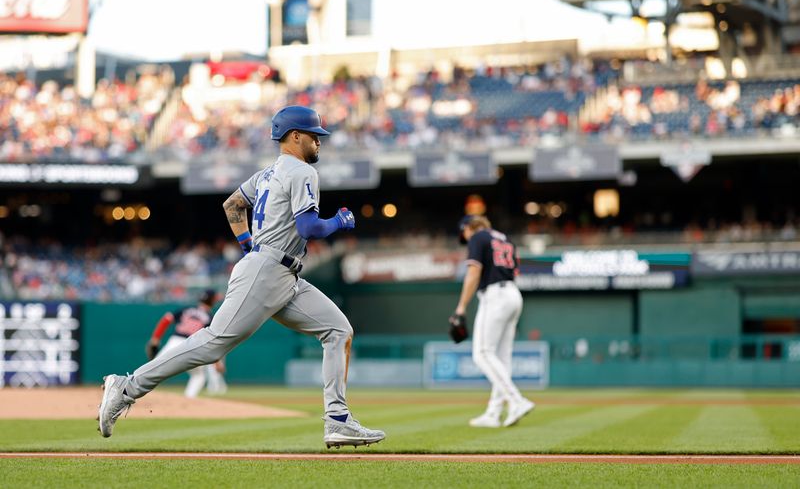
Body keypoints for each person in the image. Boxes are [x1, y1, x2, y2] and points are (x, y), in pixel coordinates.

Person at [97, 105, 385, 448]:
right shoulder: (302, 172)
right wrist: (339, 220)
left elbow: (232, 204)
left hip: (282, 273)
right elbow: (309, 227)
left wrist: (249, 245)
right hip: (267, 271)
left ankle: (337, 420)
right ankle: (126, 387)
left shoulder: (267, 174)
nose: (319, 142)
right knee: (213, 343)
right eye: (314, 135)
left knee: (338, 330)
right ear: (295, 136)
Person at [452, 214, 535, 428]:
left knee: (482, 353)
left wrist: (461, 307)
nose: (466, 238)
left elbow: (474, 271)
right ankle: (494, 412)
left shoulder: (478, 236)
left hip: (495, 295)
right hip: (513, 294)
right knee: (502, 357)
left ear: (470, 227)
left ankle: (516, 401)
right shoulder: (504, 238)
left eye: (465, 233)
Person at [145, 289, 228, 398]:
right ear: (212, 301)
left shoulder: (187, 309)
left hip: (174, 342)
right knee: (198, 376)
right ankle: (188, 400)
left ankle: (135, 392)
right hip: (192, 346)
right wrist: (217, 363)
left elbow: (166, 319)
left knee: (154, 369)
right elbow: (211, 342)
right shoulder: (210, 317)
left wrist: (155, 338)